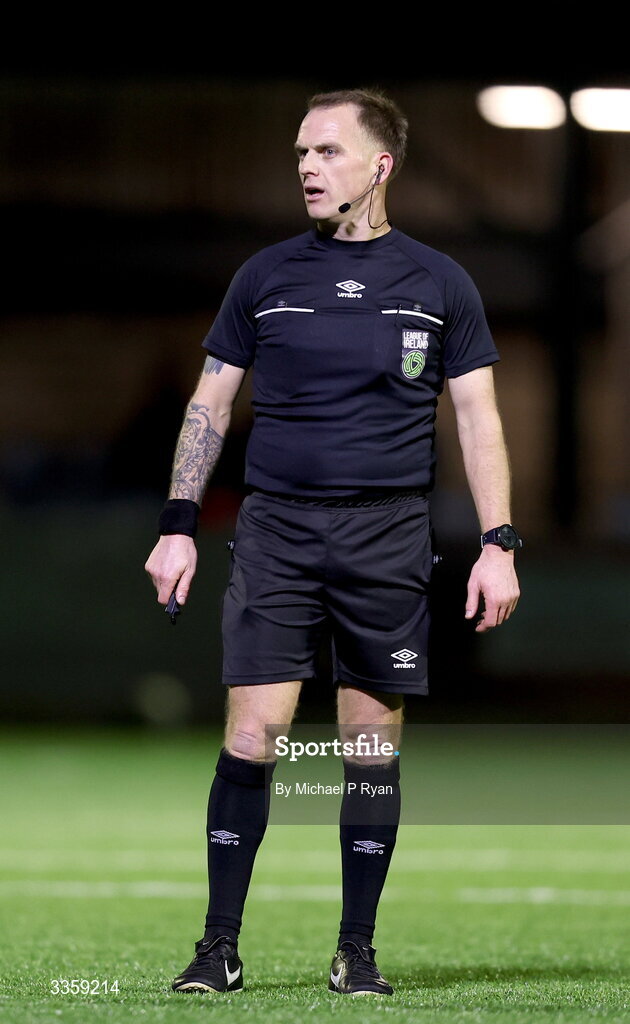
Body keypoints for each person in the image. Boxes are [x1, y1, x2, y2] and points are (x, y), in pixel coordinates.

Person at [144, 87, 521, 997]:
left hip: (389, 535)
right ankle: (217, 947)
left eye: (326, 152)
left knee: (368, 747)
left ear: (379, 164)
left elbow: (478, 420)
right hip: (276, 528)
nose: (307, 168)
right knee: (253, 728)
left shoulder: (440, 284)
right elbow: (210, 402)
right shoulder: (266, 277)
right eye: (300, 154)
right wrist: (178, 526)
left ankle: (357, 950)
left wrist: (500, 542)